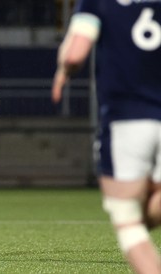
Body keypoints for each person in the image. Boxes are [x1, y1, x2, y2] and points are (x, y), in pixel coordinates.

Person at [52, 1, 161, 273]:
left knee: (127, 218)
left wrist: (63, 70)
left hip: (126, 121)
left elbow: (75, 54)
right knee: (149, 208)